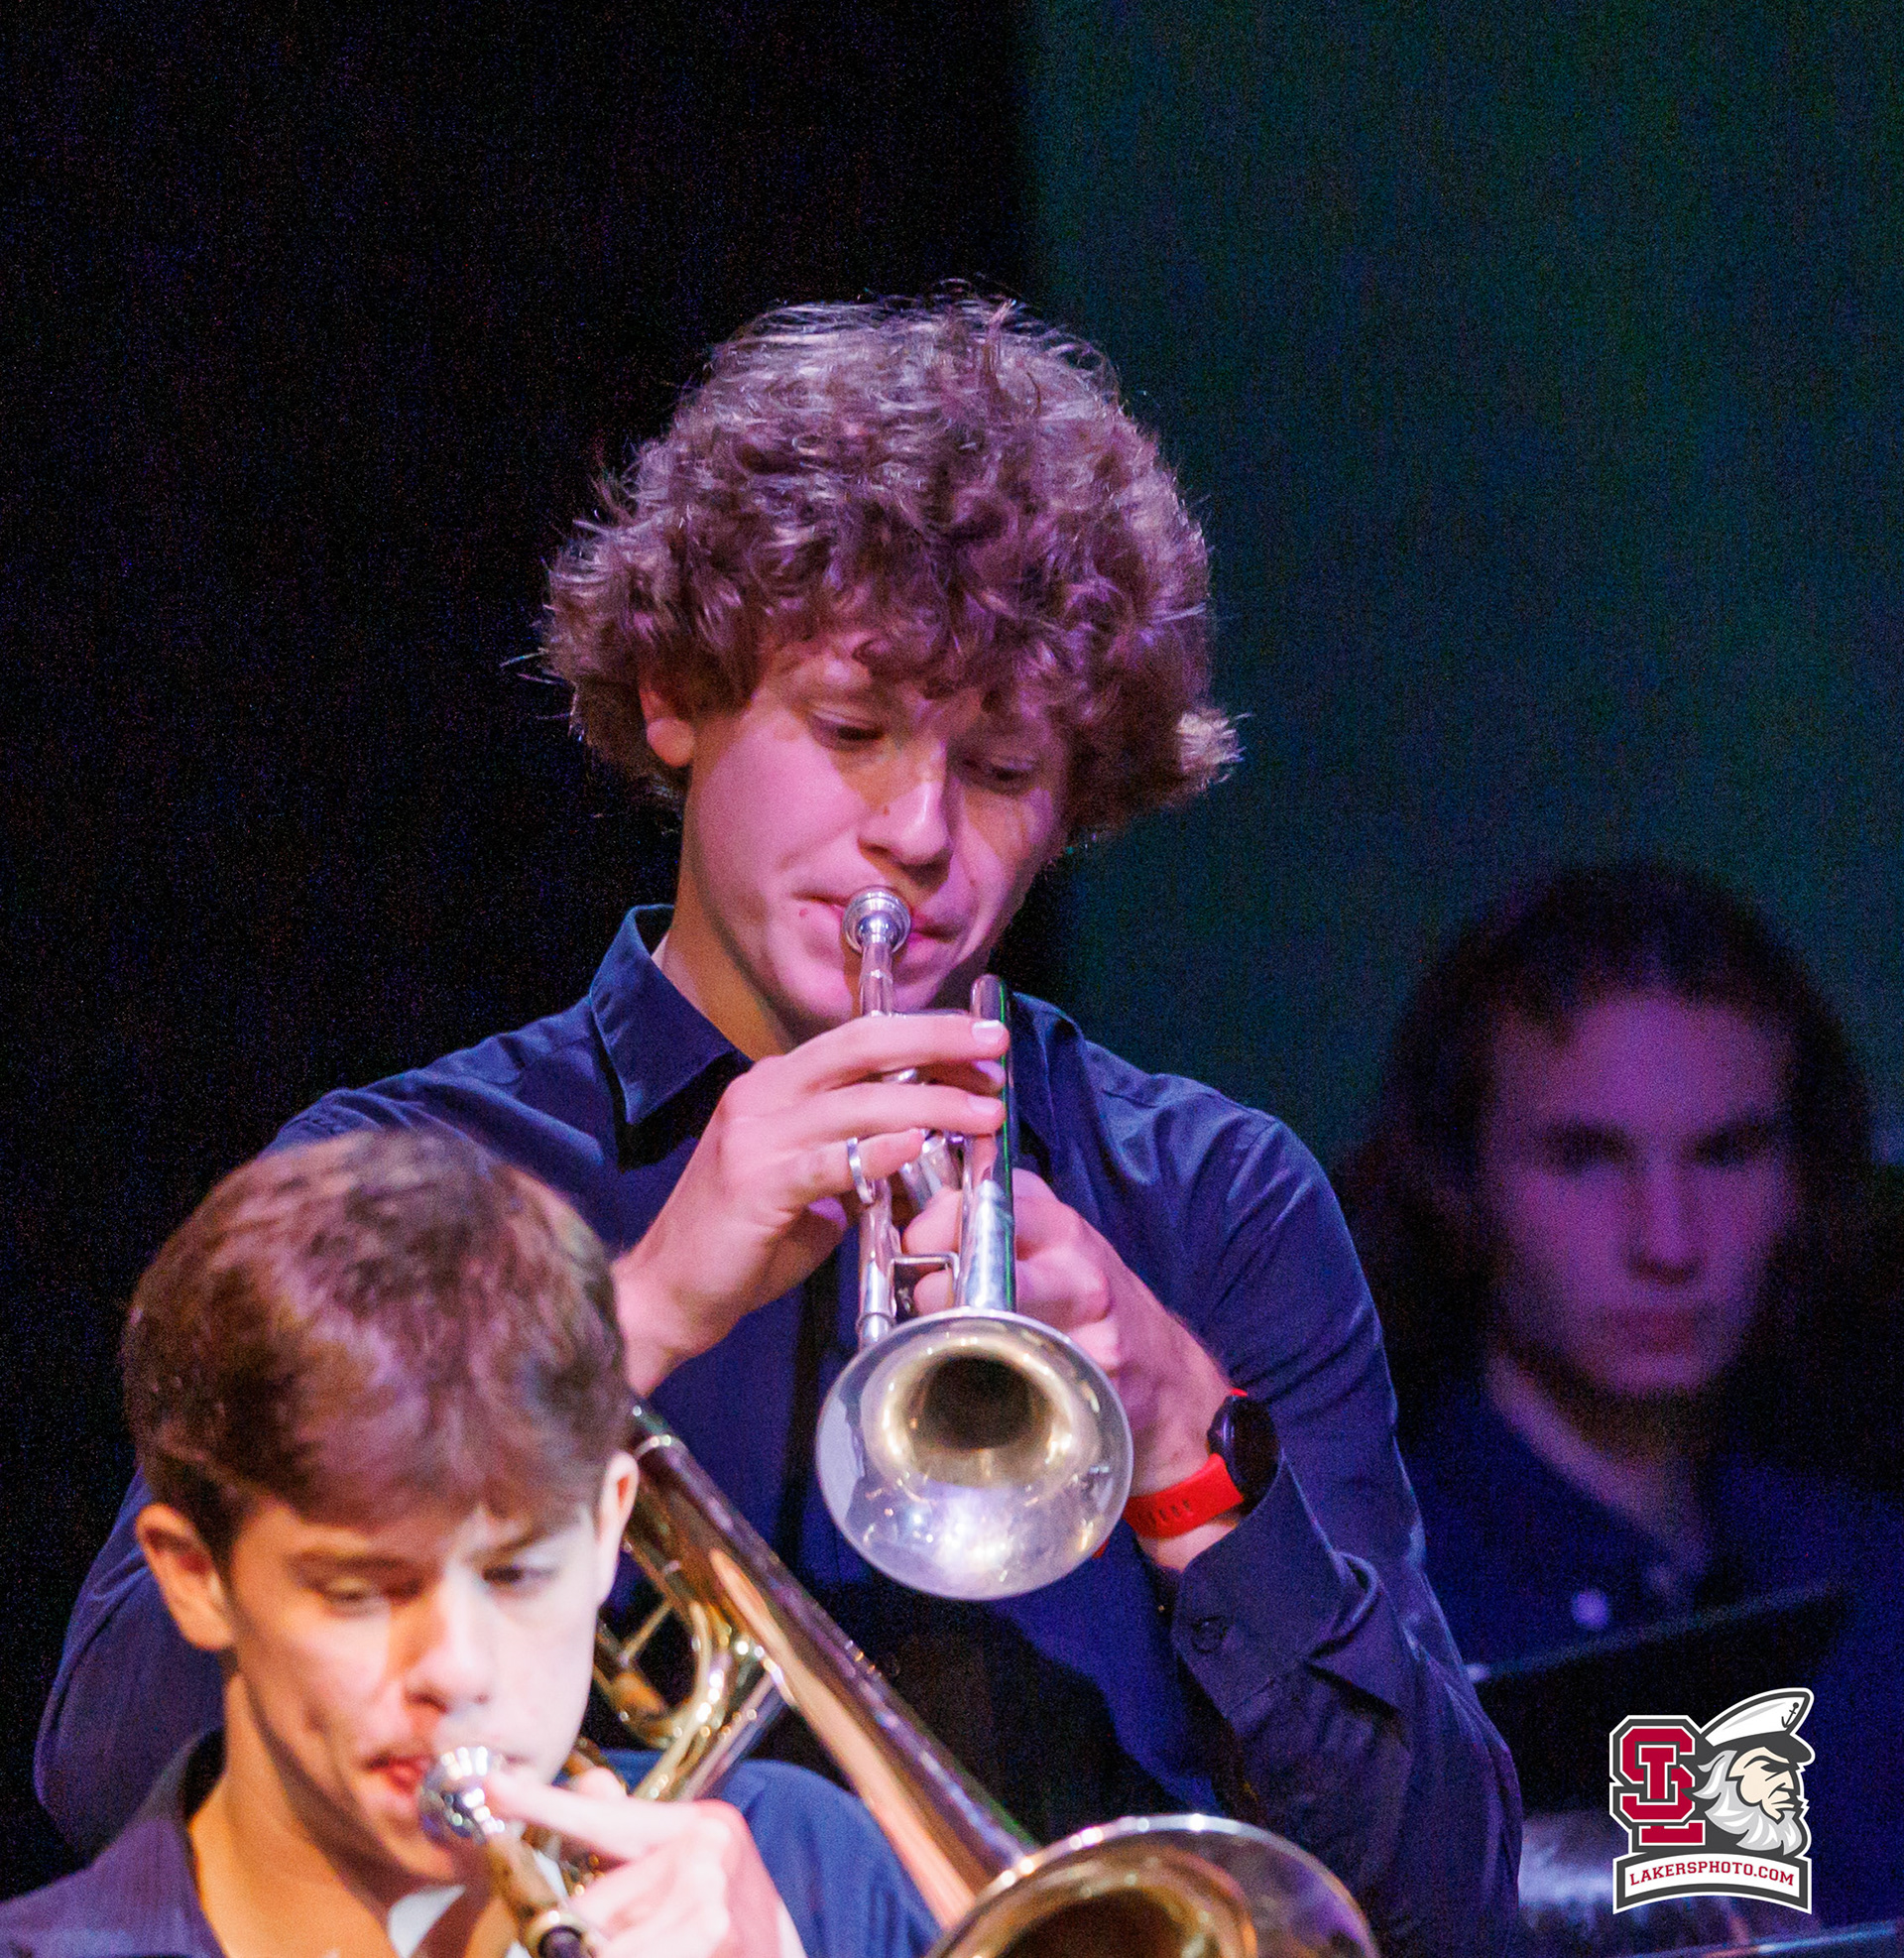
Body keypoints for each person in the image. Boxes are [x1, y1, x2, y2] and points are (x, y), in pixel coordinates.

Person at [38, 296, 1518, 1957]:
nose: (919, 833)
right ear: (677, 694)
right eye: (853, 730)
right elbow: (112, 1760)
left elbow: (1446, 1899)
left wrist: (1181, 1433)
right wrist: (622, 1323)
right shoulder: (411, 1178)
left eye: (1003, 767)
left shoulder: (1212, 1197)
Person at [2, 1130, 936, 1957]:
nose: (456, 1671)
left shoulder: (806, 1868)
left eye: (518, 1573)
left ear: (609, 1526)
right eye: (359, 1591)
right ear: (196, 1578)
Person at [1338, 859, 1904, 1926]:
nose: (1668, 1241)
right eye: (1586, 1158)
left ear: (1803, 1176)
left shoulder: (1872, 1573)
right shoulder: (1360, 1601)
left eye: (1726, 1154)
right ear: (1459, 1181)